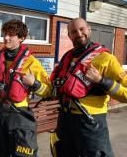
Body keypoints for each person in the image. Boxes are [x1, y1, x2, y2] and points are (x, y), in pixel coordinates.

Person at [50, 18, 127, 157]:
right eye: (73, 31)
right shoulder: (67, 57)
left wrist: (102, 81)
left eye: (82, 29)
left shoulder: (107, 59)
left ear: (89, 30)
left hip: (90, 122)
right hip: (65, 119)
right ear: (69, 35)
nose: (79, 34)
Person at [0, 19, 50, 157]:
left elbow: (49, 91)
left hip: (19, 118)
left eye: (11, 35)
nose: (6, 38)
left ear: (22, 38)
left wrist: (34, 83)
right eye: (5, 34)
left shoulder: (31, 62)